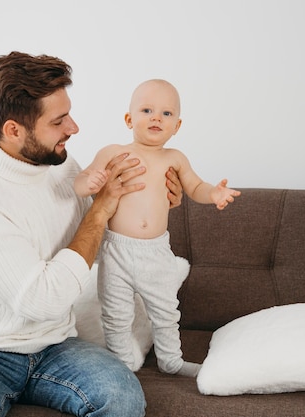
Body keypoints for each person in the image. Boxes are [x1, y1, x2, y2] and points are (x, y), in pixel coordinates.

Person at [0, 52, 185, 417]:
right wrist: (100, 209)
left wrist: (154, 200)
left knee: (123, 398)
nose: (74, 128)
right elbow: (40, 300)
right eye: (59, 120)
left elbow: (108, 232)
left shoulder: (59, 166)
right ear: (14, 130)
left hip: (55, 345)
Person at [74, 79, 240, 378]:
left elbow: (195, 186)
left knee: (165, 312)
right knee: (116, 314)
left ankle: (171, 360)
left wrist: (214, 194)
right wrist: (90, 183)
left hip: (156, 251)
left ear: (177, 125)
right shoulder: (113, 152)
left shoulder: (174, 158)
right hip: (117, 250)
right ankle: (122, 363)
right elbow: (81, 179)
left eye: (166, 113)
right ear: (129, 119)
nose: (156, 118)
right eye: (147, 110)